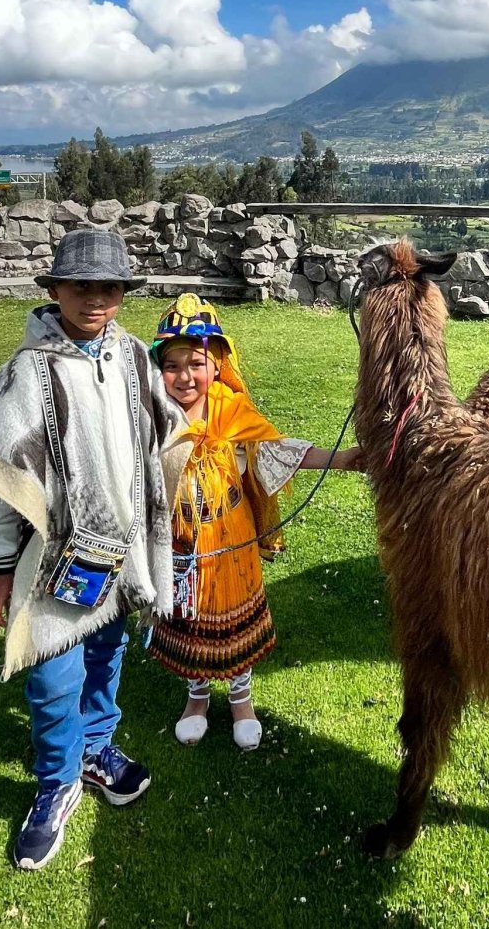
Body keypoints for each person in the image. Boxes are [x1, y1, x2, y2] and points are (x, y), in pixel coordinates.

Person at [0, 229, 184, 871]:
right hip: (54, 557)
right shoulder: (28, 374)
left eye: (109, 287)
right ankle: (57, 784)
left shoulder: (134, 358)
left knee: (107, 652)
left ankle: (97, 749)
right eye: (82, 287)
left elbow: (169, 432)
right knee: (54, 673)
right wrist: (0, 570)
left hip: (121, 548)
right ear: (55, 290)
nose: (95, 300)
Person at [147, 294, 360, 751]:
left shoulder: (231, 411)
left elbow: (281, 450)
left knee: (231, 621)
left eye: (196, 363)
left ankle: (241, 700)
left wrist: (342, 459)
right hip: (180, 544)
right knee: (189, 618)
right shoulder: (150, 418)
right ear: (157, 368)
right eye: (172, 364)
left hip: (231, 541)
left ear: (217, 363)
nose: (185, 376)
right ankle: (197, 699)